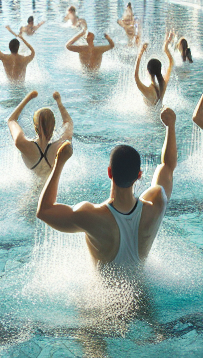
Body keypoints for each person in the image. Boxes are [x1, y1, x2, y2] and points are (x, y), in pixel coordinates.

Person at [35, 107, 177, 272]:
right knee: (156, 190)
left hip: (105, 298)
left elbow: (44, 211)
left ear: (109, 172)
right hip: (144, 296)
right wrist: (170, 126)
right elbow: (168, 166)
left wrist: (60, 162)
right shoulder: (156, 207)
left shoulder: (91, 216)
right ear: (139, 175)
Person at [7, 90, 73, 177]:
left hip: (33, 189)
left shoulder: (23, 144)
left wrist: (28, 98)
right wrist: (59, 102)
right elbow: (68, 122)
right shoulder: (60, 146)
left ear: (35, 126)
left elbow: (11, 120)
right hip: (53, 188)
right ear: (53, 126)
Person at [132, 40, 175, 107]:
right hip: (160, 115)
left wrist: (141, 53)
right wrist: (166, 47)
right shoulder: (163, 84)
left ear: (148, 71)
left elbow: (135, 76)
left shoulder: (147, 91)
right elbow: (171, 62)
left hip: (149, 117)